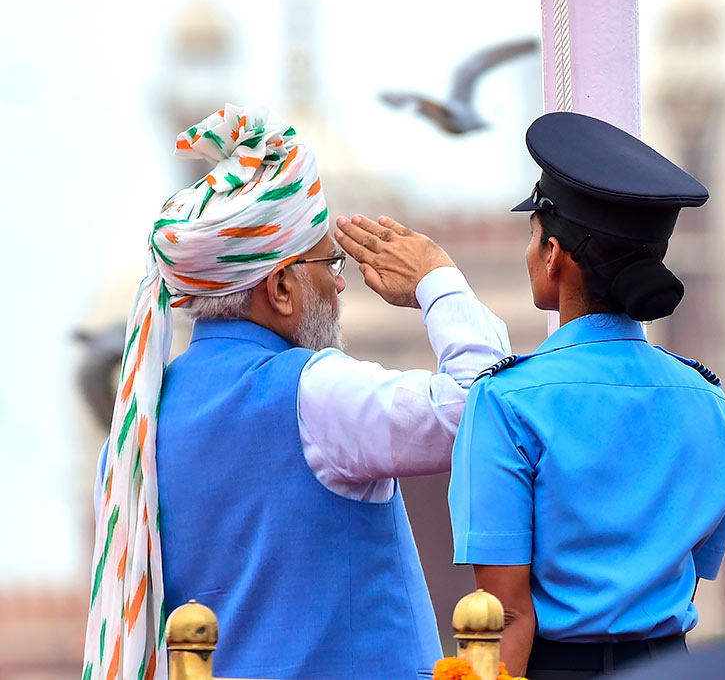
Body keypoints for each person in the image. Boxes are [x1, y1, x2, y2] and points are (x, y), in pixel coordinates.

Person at [85, 104, 510, 680]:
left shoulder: (137, 431)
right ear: (281, 288)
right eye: (328, 263)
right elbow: (481, 413)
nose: (339, 283)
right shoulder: (313, 393)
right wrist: (438, 281)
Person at [443, 112, 725, 680]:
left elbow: (506, 615)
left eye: (534, 236)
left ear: (555, 253)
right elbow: (690, 567)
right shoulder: (711, 404)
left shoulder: (508, 401)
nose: (530, 252)